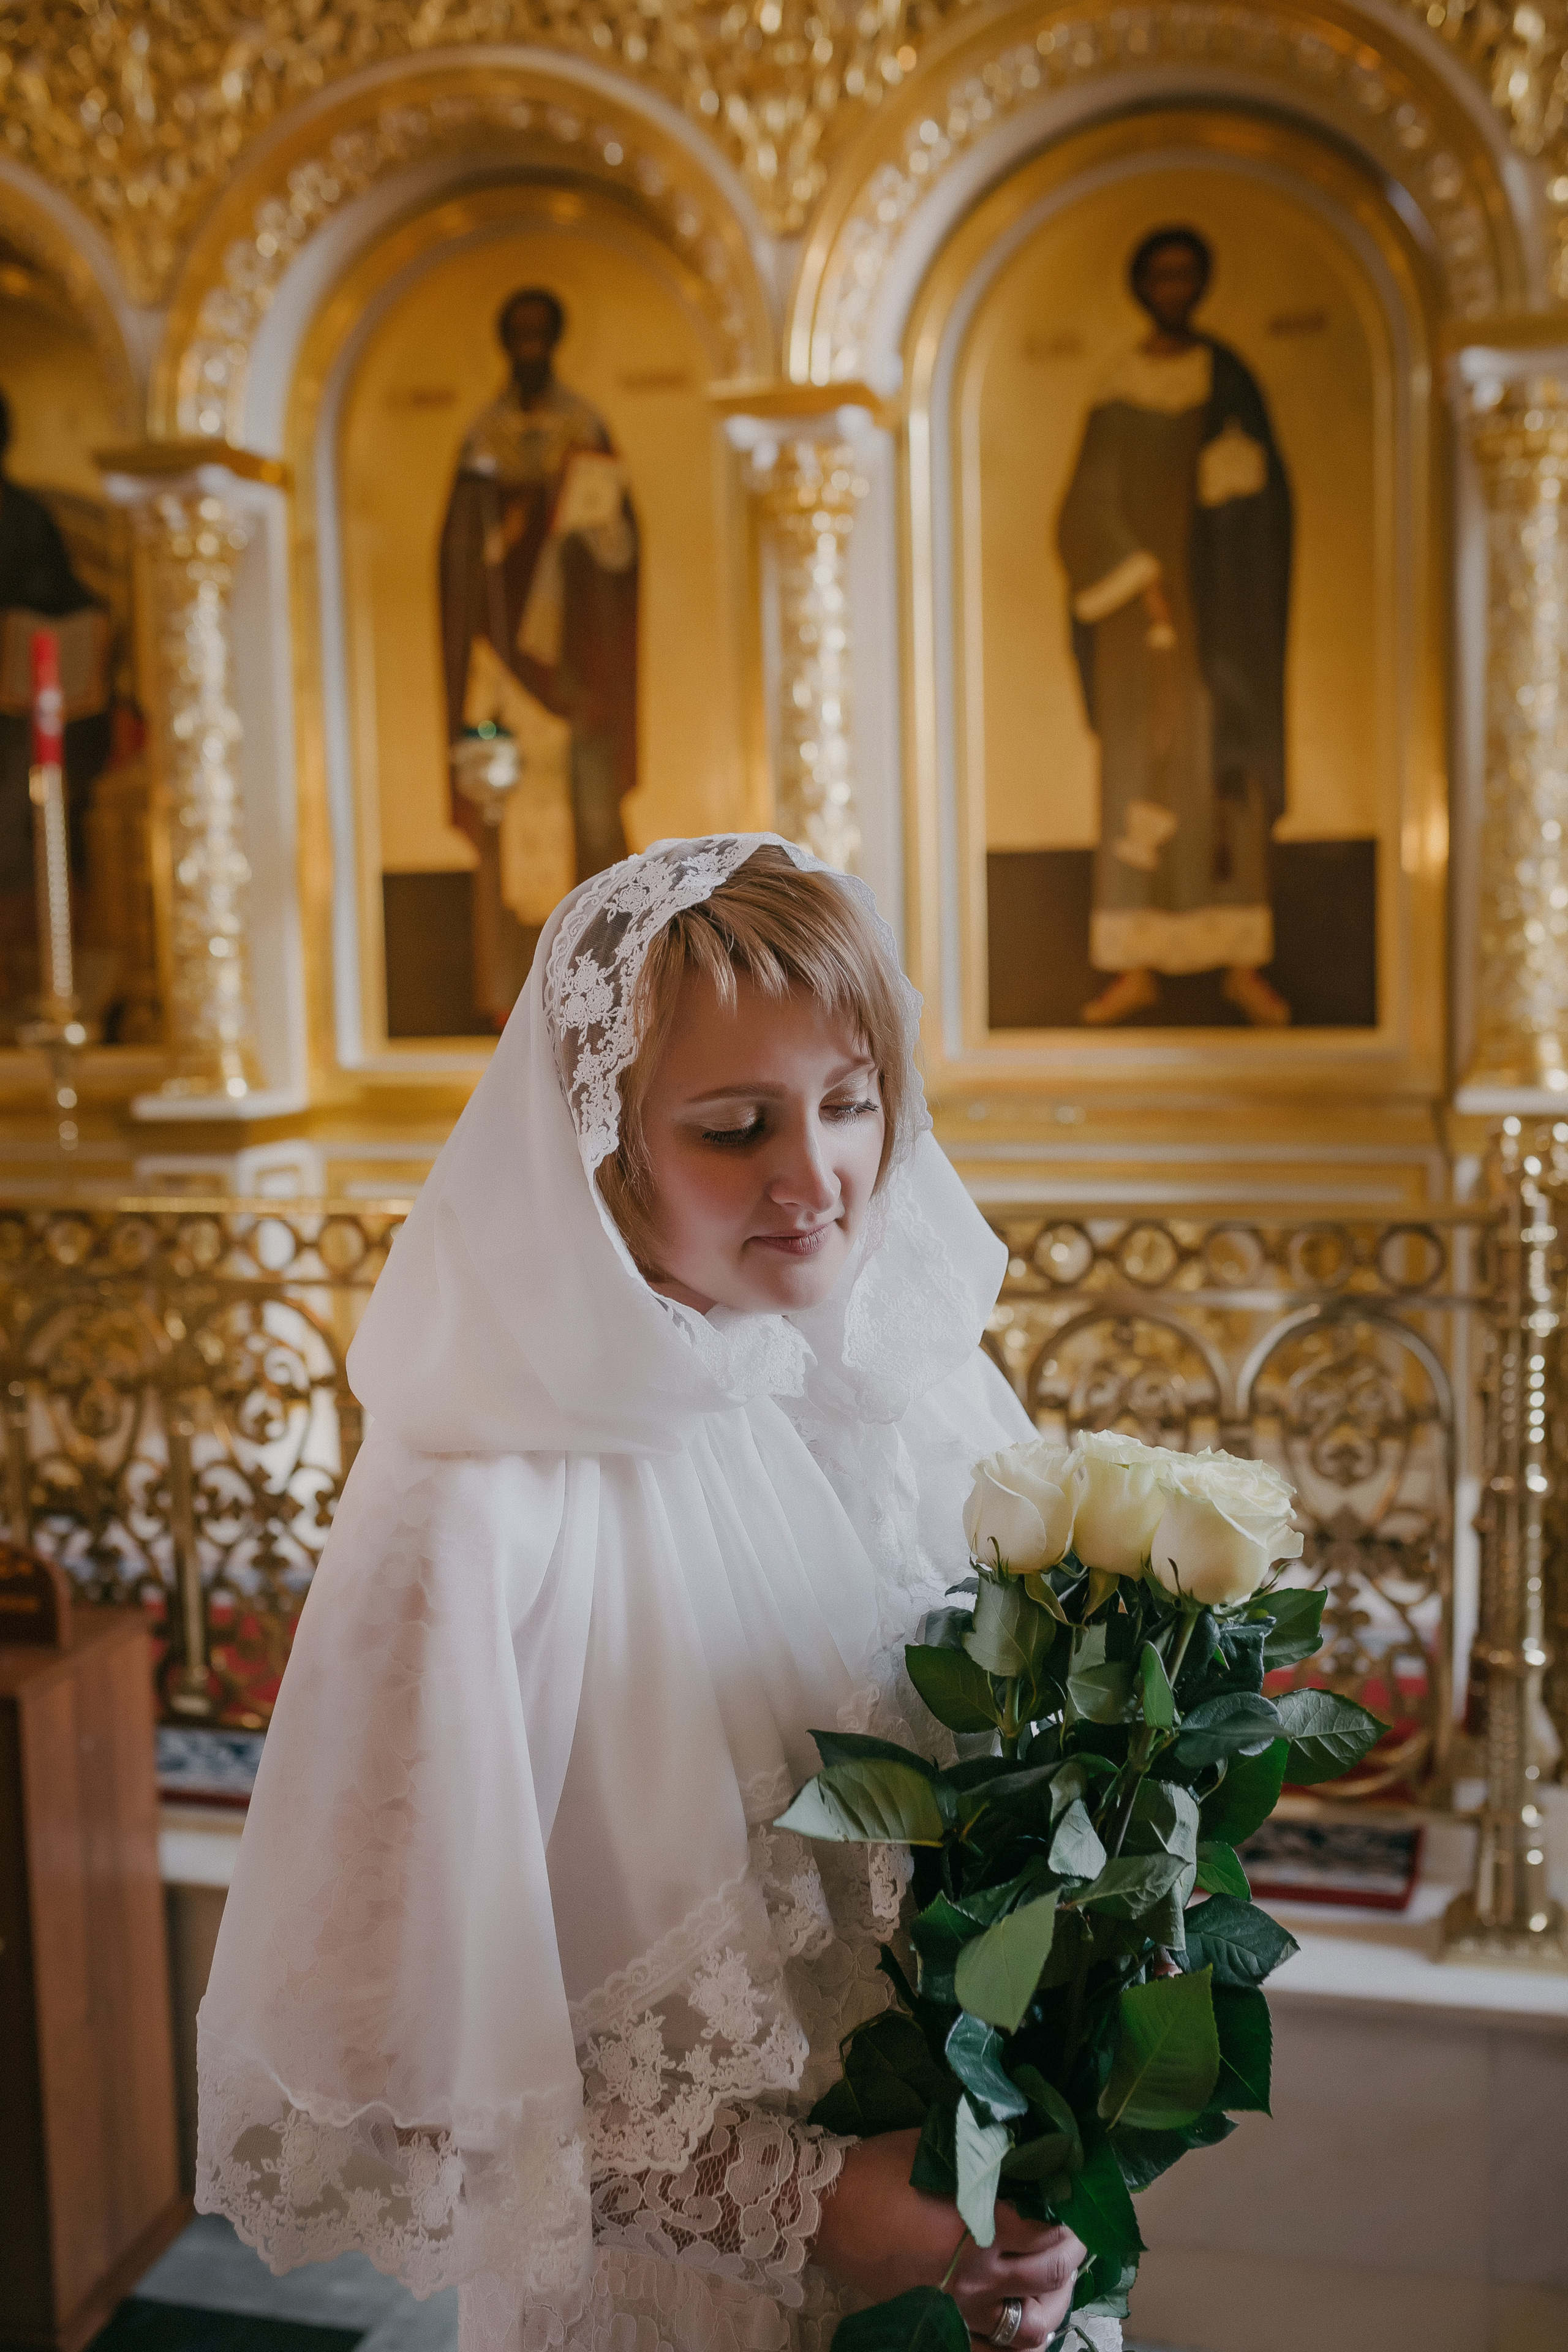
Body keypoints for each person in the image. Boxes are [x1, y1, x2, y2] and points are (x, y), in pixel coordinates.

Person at [195, 836, 1118, 2352]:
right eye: (733, 1125)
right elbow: (419, 2069)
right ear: (602, 1146)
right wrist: (816, 2208)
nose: (813, 1172)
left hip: (980, 2227)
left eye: (847, 1101)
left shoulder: (906, 1380)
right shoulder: (482, 1498)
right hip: (677, 2301)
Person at [1057, 226, 1293, 1028]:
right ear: (1140, 283)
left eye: (1185, 274)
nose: (1172, 288)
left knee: (1220, 767)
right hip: (1137, 620)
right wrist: (1141, 577)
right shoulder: (1119, 382)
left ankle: (1241, 960)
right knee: (1139, 768)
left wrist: (1234, 505)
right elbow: (1086, 504)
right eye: (1158, 275)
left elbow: (1264, 498)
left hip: (1220, 620)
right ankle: (1134, 967)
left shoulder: (1229, 379)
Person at [439, 288, 639, 1026]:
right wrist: (493, 524)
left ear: (553, 341)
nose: (528, 349)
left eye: (538, 336)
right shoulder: (482, 439)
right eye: (514, 336)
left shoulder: (584, 427)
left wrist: (588, 530)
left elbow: (623, 556)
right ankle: (511, 998)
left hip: (577, 676)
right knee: (507, 824)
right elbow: (457, 562)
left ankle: (608, 994)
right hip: (505, 677)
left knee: (590, 825)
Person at [0, 385, 110, 1006]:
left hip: (14, 713)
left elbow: (59, 596)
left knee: (20, 829)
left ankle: (27, 991)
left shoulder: (24, 518)